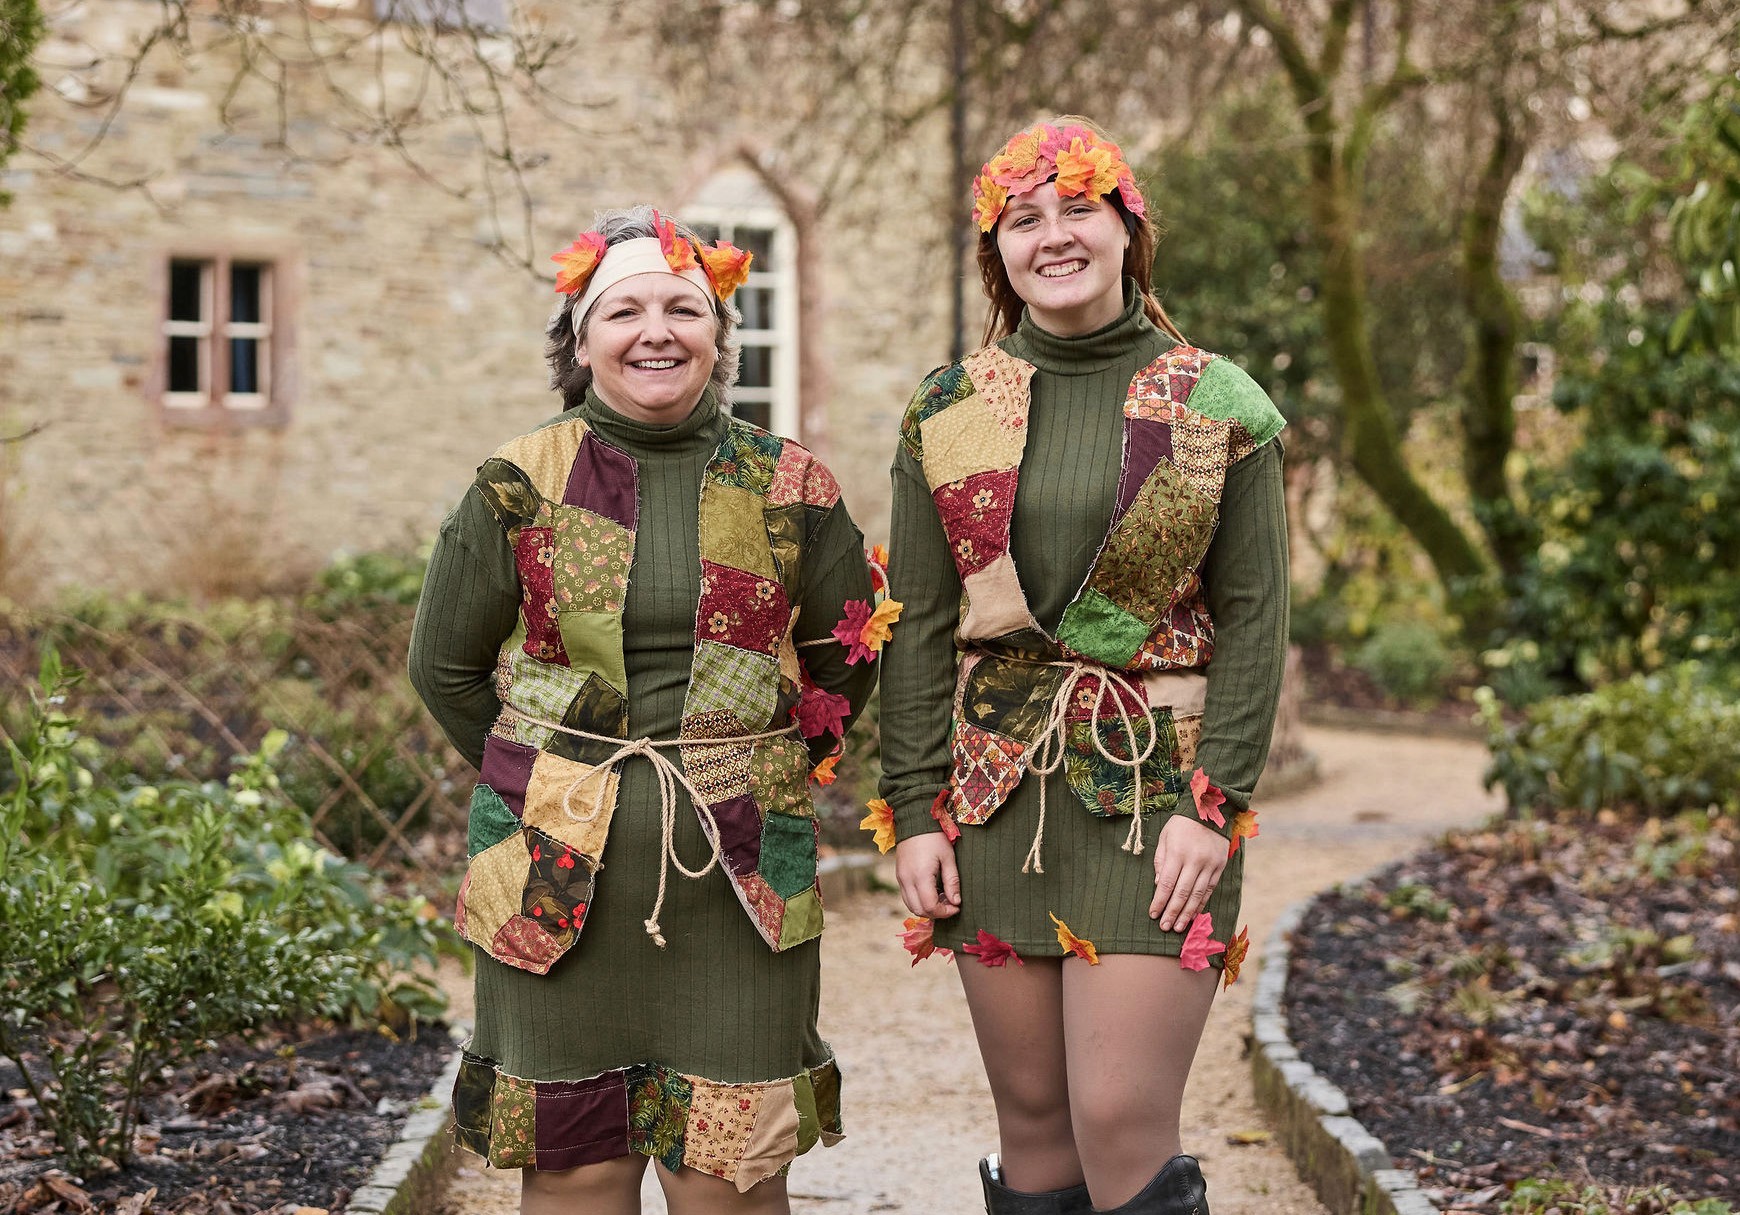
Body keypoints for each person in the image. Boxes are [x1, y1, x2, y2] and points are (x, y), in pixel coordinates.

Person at [409, 204, 878, 1215]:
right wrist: (537, 777)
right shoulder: (518, 484)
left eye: (685, 308)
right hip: (551, 871)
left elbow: (850, 647)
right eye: (624, 310)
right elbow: (444, 667)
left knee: (731, 1175)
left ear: (721, 337)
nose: (656, 330)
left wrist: (770, 765)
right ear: (580, 343)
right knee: (579, 1170)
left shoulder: (790, 484)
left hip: (740, 879)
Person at [879, 119, 1289, 1215]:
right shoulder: (947, 410)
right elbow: (916, 622)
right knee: (1036, 1128)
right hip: (992, 789)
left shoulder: (1220, 403)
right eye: (1024, 219)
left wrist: (1219, 804)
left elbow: (1256, 621)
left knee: (1118, 1119)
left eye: (1077, 208)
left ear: (1127, 228)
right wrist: (914, 811)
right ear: (996, 254)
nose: (1052, 235)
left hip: (1158, 792)